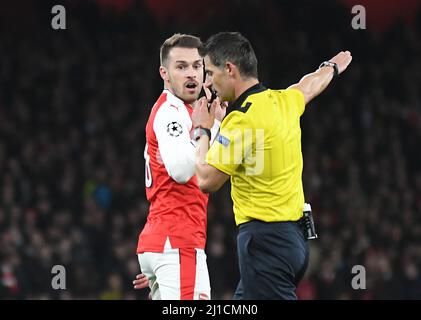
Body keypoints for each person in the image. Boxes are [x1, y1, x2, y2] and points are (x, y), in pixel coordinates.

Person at [193, 32, 352, 299]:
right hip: (293, 241)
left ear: (230, 69)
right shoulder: (283, 101)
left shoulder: (242, 120)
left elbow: (206, 181)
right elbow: (309, 85)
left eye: (210, 73)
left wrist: (203, 130)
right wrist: (331, 67)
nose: (208, 83)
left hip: (266, 244)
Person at [136, 33, 225, 300]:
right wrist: (206, 129)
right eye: (181, 66)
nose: (192, 74)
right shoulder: (169, 113)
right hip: (176, 243)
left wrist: (217, 125)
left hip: (168, 241)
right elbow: (181, 170)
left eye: (197, 66)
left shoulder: (187, 111)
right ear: (164, 73)